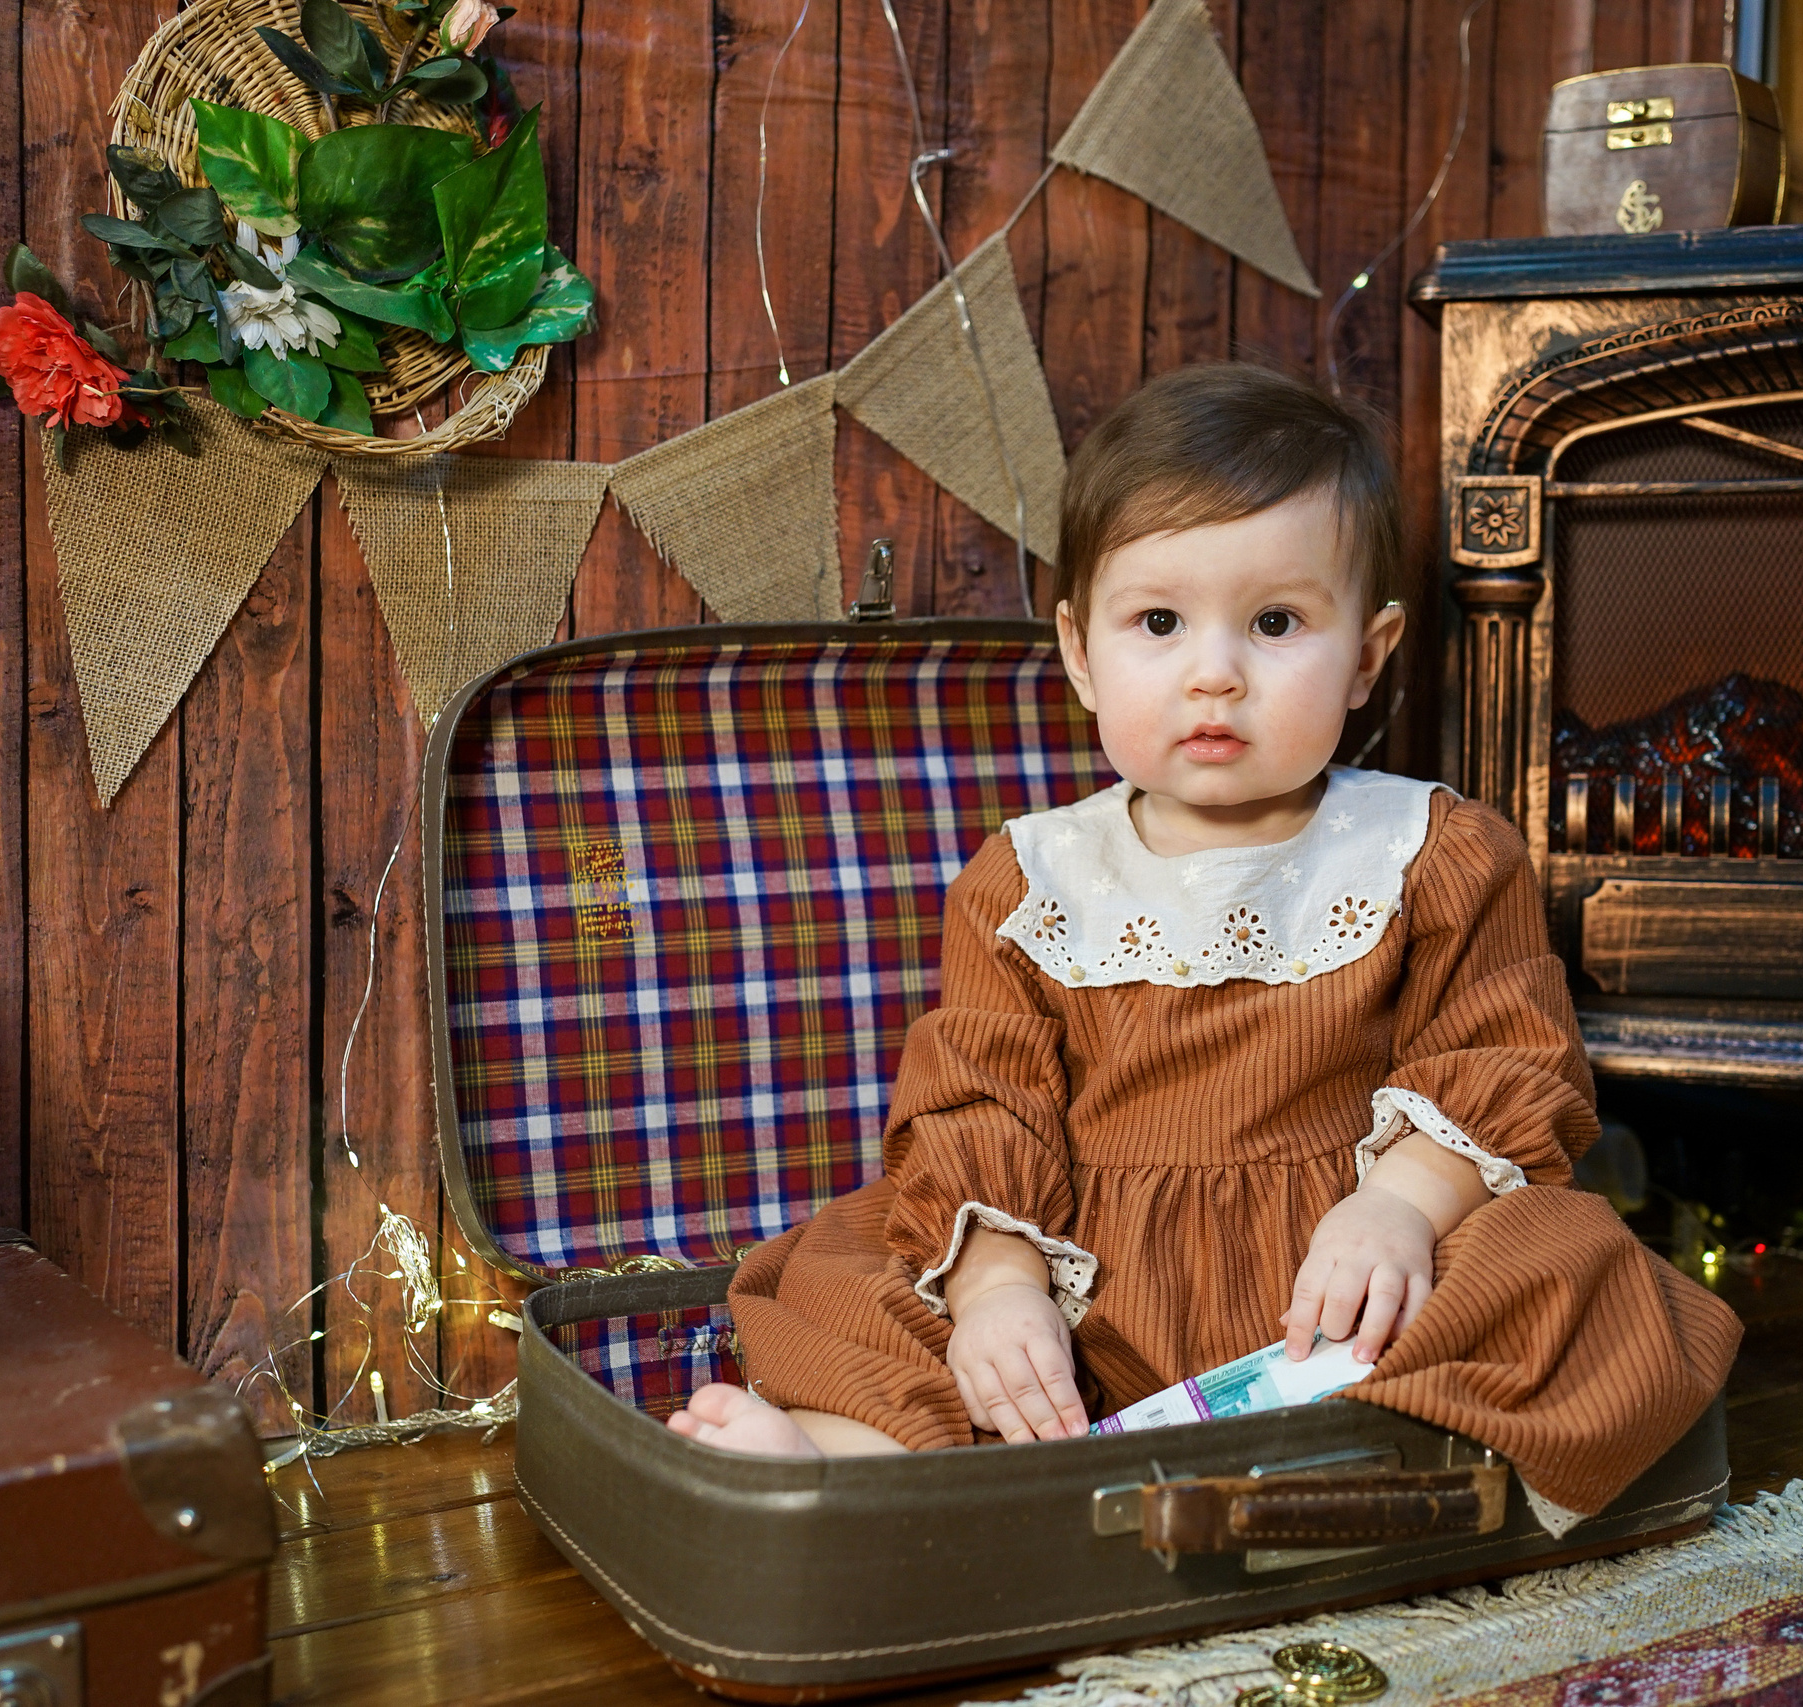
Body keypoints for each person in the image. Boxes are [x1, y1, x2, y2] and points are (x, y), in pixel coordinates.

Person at [668, 362, 1739, 1532]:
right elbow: (979, 1106)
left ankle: (1375, 1475)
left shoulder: (1432, 849)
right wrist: (997, 1290)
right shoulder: (1027, 880)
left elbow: (1505, 1058)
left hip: (1339, 1301)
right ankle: (854, 1463)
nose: (1214, 671)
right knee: (859, 1264)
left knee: (1564, 1253)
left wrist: (1402, 1207)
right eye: (1159, 623)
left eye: (1275, 623)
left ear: (1367, 657)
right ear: (1080, 652)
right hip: (1088, 1295)